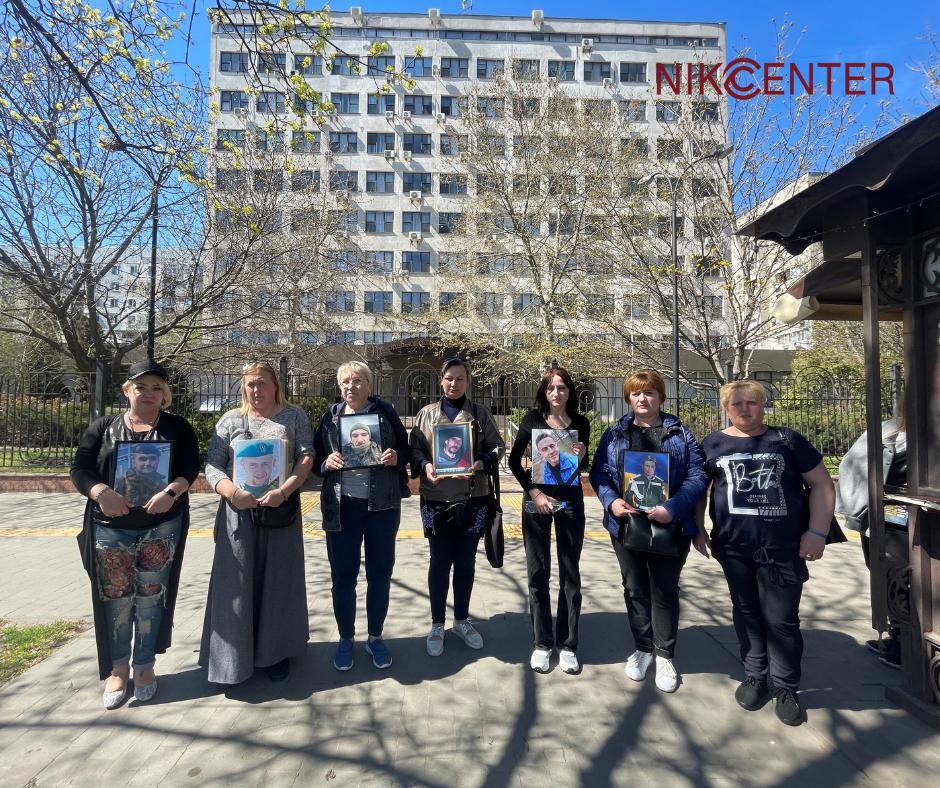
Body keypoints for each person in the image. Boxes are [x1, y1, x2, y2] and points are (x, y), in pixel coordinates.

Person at [700, 379, 835, 727]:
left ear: (763, 406)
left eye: (752, 402)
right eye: (737, 403)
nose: (744, 409)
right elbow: (701, 489)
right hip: (733, 547)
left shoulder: (786, 440)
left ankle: (786, 685)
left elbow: (822, 483)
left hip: (782, 548)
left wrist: (817, 532)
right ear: (726, 408)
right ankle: (755, 675)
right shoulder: (713, 443)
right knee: (746, 612)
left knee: (781, 619)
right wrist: (698, 528)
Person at [70, 360, 200, 708]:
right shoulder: (104, 427)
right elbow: (80, 468)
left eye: (157, 388)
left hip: (161, 526)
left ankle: (144, 666)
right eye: (141, 387)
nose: (149, 393)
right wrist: (101, 493)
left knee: (150, 596)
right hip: (110, 528)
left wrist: (171, 492)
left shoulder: (177, 427)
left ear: (165, 394)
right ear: (127, 390)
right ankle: (118, 669)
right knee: (116, 599)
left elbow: (191, 466)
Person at [589, 369, 706, 693]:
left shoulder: (680, 433)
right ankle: (642, 648)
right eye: (636, 393)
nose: (643, 398)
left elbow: (698, 475)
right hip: (627, 524)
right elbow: (599, 472)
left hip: (671, 525)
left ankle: (665, 654)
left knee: (665, 590)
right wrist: (611, 501)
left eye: (649, 392)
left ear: (660, 397)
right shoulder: (615, 433)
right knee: (635, 588)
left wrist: (674, 508)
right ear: (628, 398)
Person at [200, 361, 314, 684]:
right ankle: (231, 661)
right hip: (238, 514)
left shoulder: (294, 416)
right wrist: (232, 492)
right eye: (250, 384)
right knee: (234, 586)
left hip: (280, 511)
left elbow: (306, 456)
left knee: (278, 581)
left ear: (275, 385)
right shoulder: (230, 420)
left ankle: (275, 653)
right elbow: (213, 465)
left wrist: (284, 491)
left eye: (262, 382)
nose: (256, 389)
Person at [314, 362, 410, 671]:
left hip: (382, 507)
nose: (351, 386)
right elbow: (313, 459)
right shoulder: (330, 419)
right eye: (345, 381)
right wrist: (325, 462)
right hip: (342, 507)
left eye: (357, 381)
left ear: (369, 385)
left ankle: (375, 636)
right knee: (343, 576)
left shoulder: (385, 412)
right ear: (338, 385)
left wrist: (396, 457)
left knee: (380, 574)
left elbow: (406, 450)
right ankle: (346, 638)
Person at [410, 357, 504, 656]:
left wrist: (480, 463)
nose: (454, 383)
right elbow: (415, 449)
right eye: (449, 378)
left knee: (465, 563)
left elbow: (497, 447)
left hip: (472, 499)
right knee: (439, 563)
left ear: (468, 381)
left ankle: (461, 620)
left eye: (460, 378)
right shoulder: (426, 414)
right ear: (441, 380)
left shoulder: (479, 413)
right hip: (436, 500)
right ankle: (437, 624)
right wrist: (426, 466)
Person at [509, 366, 590, 674]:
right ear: (544, 391)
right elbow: (514, 461)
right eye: (551, 387)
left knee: (570, 572)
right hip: (537, 501)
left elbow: (581, 465)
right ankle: (542, 643)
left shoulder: (581, 423)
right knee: (538, 571)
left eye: (562, 387)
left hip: (569, 502)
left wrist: (582, 455)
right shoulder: (533, 419)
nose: (557, 393)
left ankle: (567, 644)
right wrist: (534, 492)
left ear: (570, 392)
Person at [836, 409, 907, 668]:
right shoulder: (886, 430)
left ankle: (908, 642)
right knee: (889, 576)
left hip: (915, 519)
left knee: (908, 578)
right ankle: (900, 636)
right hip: (884, 517)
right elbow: (851, 468)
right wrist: (856, 510)